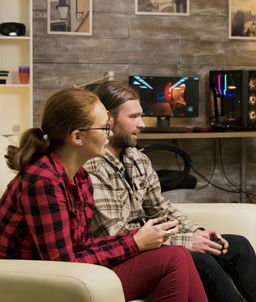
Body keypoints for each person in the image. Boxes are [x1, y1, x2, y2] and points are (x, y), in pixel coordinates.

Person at [84, 81, 256, 302]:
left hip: (154, 241)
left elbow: (159, 207)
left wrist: (196, 231)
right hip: (130, 254)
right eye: (133, 117)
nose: (142, 124)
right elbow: (115, 235)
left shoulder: (137, 158)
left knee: (238, 246)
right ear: (108, 120)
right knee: (201, 260)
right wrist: (185, 241)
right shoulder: (92, 167)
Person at [0, 88, 208, 302]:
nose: (109, 134)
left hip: (65, 273)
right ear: (77, 137)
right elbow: (62, 263)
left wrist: (137, 237)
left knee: (179, 255)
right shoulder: (43, 181)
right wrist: (135, 242)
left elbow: (81, 246)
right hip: (32, 282)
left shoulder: (79, 177)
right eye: (104, 128)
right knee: (172, 258)